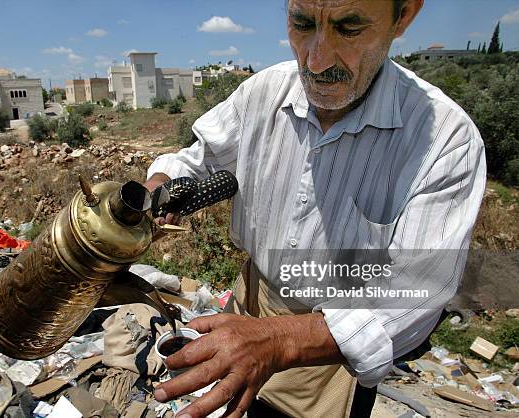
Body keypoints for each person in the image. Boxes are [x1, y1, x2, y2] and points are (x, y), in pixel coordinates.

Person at [143, 1, 486, 417]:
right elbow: (200, 158)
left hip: (328, 354)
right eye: (302, 23)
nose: (316, 59)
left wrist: (278, 339)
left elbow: (414, 293)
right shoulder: (263, 91)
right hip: (250, 304)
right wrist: (162, 184)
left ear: (403, 16)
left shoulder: (446, 141)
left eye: (349, 27)